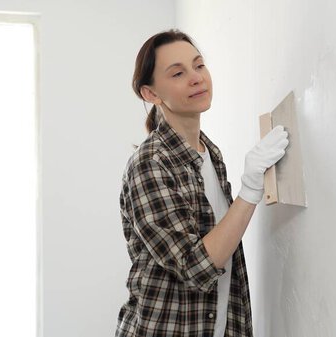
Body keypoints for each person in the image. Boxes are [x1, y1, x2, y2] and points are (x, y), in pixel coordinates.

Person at [115, 29, 288, 337]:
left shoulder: (211, 155)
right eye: (178, 73)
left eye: (199, 65)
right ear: (151, 94)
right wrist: (249, 190)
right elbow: (195, 266)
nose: (196, 78)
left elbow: (226, 257)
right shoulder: (150, 163)